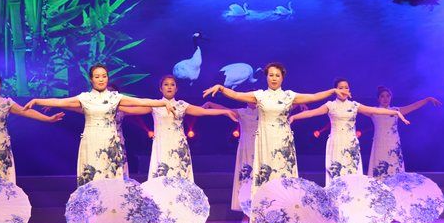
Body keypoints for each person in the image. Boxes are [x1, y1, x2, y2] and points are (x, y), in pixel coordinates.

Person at [203, 62, 350, 200]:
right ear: (266, 77)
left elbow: (312, 97)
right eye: (271, 75)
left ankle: (286, 208)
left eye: (277, 75)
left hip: (283, 141)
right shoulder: (259, 95)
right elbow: (236, 95)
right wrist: (221, 88)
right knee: (265, 173)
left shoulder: (289, 96)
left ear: (282, 78)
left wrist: (332, 91)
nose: (274, 78)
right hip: (265, 140)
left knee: (283, 173)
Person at [24, 64, 175, 186]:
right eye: (97, 77)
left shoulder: (115, 97)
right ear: (91, 79)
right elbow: (61, 101)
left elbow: (141, 101)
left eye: (104, 76)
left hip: (110, 142)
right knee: (92, 176)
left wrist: (162, 103)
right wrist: (37, 100)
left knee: (111, 177)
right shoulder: (85, 98)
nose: (101, 79)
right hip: (91, 141)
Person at [116, 75, 238, 181]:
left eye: (172, 85)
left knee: (179, 175)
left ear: (176, 88)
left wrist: (225, 112)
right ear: (160, 88)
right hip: (161, 145)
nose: (169, 87)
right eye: (166, 84)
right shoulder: (155, 105)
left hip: (178, 145)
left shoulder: (181, 105)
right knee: (162, 174)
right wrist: (113, 105)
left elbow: (203, 111)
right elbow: (133, 109)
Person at [288, 78, 410, 185]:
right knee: (337, 172)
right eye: (341, 88)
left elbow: (375, 110)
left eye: (346, 87)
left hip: (352, 144)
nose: (344, 90)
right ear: (335, 90)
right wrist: (294, 117)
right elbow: (311, 113)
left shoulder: (354, 105)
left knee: (352, 173)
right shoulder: (330, 105)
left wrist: (395, 112)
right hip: (336, 143)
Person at [367, 86, 441, 179]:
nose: (385, 98)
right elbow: (357, 108)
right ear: (378, 98)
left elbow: (414, 106)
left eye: (388, 96)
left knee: (395, 168)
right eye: (382, 96)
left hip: (393, 143)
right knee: (380, 167)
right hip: (379, 144)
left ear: (391, 97)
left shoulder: (396, 110)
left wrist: (427, 99)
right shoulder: (373, 111)